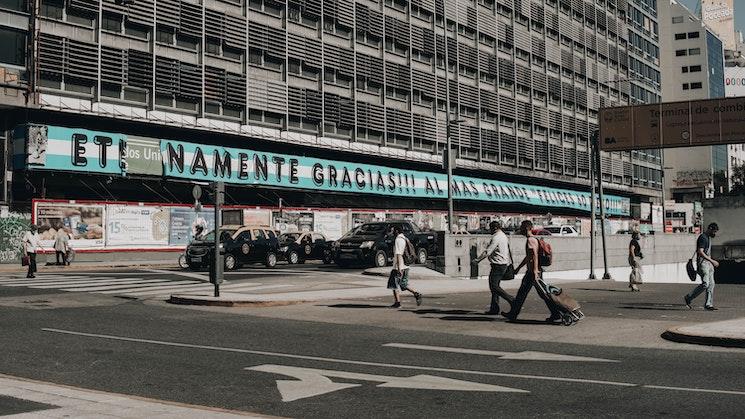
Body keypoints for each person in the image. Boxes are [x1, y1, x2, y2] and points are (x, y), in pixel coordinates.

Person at [501, 220, 561, 322]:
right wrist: (519, 268)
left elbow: (534, 256)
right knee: (537, 293)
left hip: (532, 272)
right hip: (534, 271)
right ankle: (555, 314)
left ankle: (556, 313)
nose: (520, 230)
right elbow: (528, 257)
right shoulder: (534, 239)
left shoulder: (530, 240)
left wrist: (535, 270)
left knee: (530, 293)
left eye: (522, 227)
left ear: (527, 228)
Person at [472, 220, 515, 315]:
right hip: (503, 264)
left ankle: (511, 299)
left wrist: (477, 260)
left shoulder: (496, 238)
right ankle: (494, 308)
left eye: (491, 229)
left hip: (498, 265)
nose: (489, 231)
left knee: (494, 286)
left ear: (495, 228)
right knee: (495, 287)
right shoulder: (504, 236)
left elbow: (488, 251)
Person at [685, 223, 719, 311]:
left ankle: (708, 304)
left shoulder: (708, 238)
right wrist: (712, 261)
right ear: (710, 229)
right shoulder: (703, 238)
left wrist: (711, 262)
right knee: (705, 284)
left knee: (711, 284)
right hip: (703, 264)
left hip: (709, 264)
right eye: (714, 231)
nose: (714, 233)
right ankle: (689, 297)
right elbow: (700, 251)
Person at [387, 225, 423, 308]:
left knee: (394, 284)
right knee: (403, 284)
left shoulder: (398, 240)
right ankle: (416, 293)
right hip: (406, 266)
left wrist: (399, 268)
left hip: (399, 266)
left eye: (393, 231)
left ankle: (397, 303)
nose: (392, 233)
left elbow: (399, 254)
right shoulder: (405, 238)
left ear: (396, 231)